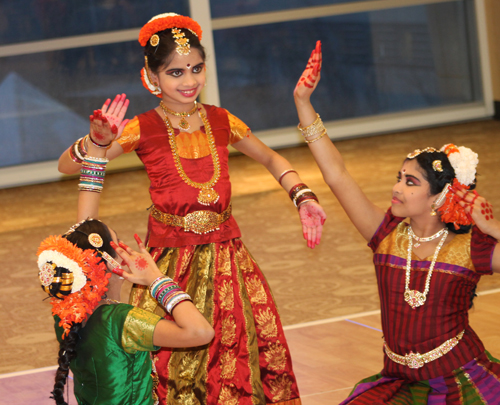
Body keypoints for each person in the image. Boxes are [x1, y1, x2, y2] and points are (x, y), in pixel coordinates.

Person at [57, 12, 327, 405]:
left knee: (240, 358)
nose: (189, 81)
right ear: (151, 77)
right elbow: (68, 166)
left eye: (196, 69)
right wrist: (96, 142)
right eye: (175, 72)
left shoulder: (220, 119)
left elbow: (270, 158)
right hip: (169, 264)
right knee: (173, 369)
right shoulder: (142, 127)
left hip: (230, 260)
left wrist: (303, 196)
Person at [293, 41, 500, 404]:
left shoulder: (470, 247)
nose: (396, 188)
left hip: (460, 379)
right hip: (398, 380)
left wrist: (495, 229)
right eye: (399, 177)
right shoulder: (386, 233)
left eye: (410, 182)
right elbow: (337, 174)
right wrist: (303, 103)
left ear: (439, 197)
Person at [39, 113, 214, 405]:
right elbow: (200, 332)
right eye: (117, 241)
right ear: (110, 264)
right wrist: (156, 280)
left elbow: (86, 233)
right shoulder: (122, 322)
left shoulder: (68, 312)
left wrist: (97, 149)